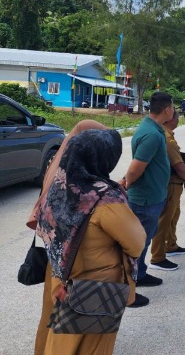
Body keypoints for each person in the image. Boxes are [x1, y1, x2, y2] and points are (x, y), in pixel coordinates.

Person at [36, 129, 146, 354]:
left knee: (59, 342)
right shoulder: (105, 198)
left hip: (60, 277)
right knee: (91, 346)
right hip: (95, 286)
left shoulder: (58, 185)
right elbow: (136, 242)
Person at [26, 120, 109, 355]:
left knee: (49, 313)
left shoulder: (62, 162)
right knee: (64, 320)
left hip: (56, 254)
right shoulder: (75, 177)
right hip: (70, 260)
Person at [122, 91, 174, 306]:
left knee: (143, 242)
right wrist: (126, 183)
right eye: (173, 108)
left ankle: (140, 274)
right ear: (167, 109)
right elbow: (136, 168)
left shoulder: (155, 129)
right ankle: (127, 289)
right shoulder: (151, 134)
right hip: (144, 200)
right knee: (136, 245)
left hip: (153, 197)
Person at [150, 108, 185, 271]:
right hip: (171, 183)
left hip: (175, 182)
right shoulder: (167, 138)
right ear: (171, 120)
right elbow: (177, 163)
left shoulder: (167, 136)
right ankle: (157, 257)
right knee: (165, 219)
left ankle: (171, 245)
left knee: (173, 215)